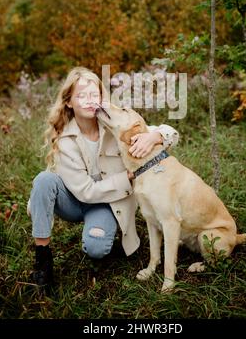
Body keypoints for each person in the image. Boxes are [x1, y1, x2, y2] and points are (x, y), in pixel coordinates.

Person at [27, 67, 179, 286]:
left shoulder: (114, 123)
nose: (89, 101)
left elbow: (170, 133)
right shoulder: (65, 140)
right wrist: (127, 178)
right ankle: (42, 258)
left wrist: (154, 136)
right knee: (44, 180)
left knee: (97, 248)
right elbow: (86, 191)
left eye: (94, 95)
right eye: (81, 96)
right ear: (69, 102)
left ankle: (100, 231)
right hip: (73, 200)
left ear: (101, 97)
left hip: (106, 204)